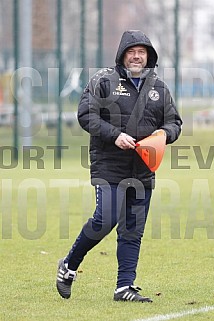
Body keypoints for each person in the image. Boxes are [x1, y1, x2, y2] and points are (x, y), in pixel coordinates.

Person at [56, 30, 182, 303]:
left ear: (149, 56)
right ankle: (68, 266)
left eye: (142, 52)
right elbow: (85, 115)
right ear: (123, 55)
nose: (137, 57)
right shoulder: (103, 81)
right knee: (105, 220)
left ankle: (124, 286)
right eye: (131, 52)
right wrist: (115, 135)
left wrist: (162, 136)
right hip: (109, 166)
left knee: (133, 229)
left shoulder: (159, 88)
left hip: (143, 169)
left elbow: (175, 123)